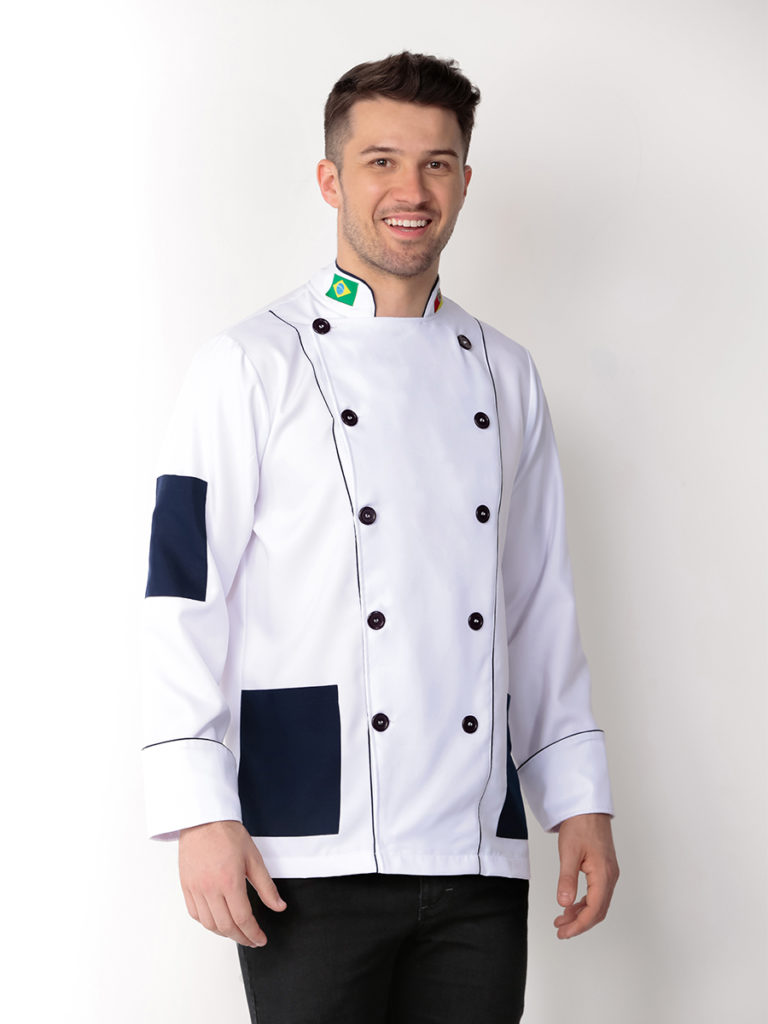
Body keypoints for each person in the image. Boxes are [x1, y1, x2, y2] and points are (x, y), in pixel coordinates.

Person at [141, 51, 619, 1024]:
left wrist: (579, 796)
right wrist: (198, 806)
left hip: (476, 847)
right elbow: (184, 589)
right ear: (331, 180)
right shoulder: (248, 363)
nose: (412, 190)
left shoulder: (505, 374)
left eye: (437, 164)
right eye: (381, 162)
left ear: (465, 182)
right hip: (305, 845)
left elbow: (538, 603)